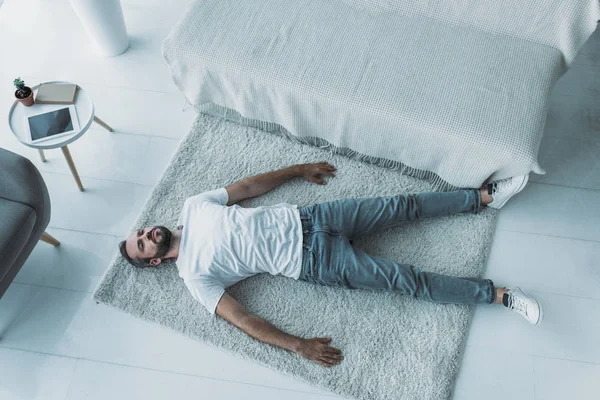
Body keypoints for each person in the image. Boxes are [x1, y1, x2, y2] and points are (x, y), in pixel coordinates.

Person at [119, 162, 542, 368]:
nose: (145, 235)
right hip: (314, 261)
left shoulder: (194, 206)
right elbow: (244, 319)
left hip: (314, 218)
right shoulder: (193, 276)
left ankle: (484, 197)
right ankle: (499, 296)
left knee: (403, 206)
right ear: (154, 261)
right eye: (141, 246)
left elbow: (247, 187)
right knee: (407, 281)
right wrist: (298, 345)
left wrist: (298, 170)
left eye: (140, 232)